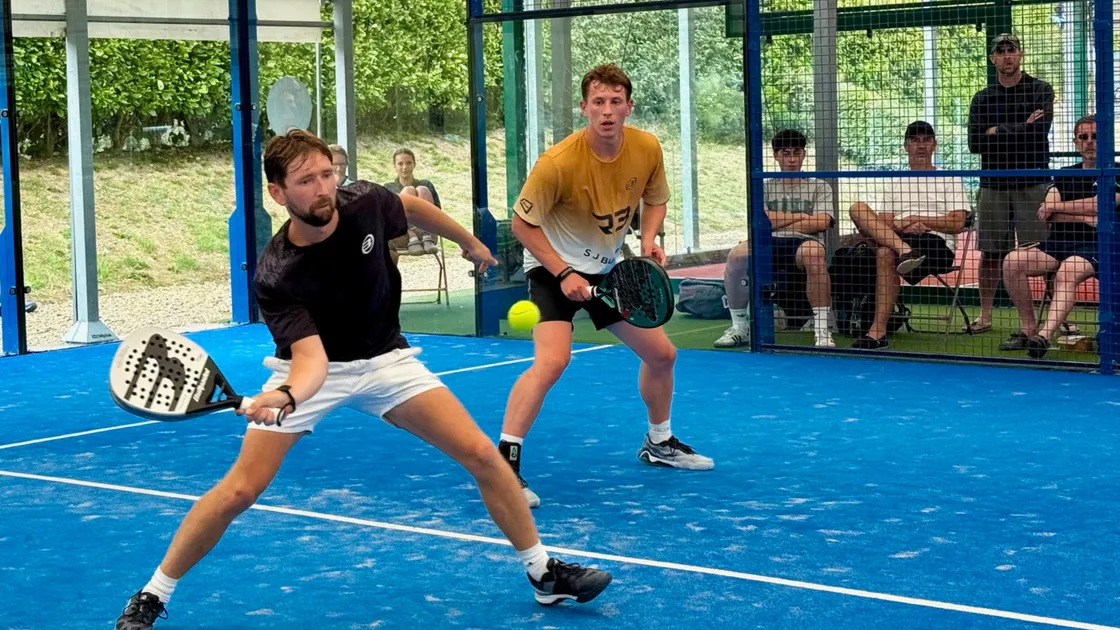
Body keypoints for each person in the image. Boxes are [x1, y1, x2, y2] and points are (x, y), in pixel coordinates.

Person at [113, 131, 611, 630]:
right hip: (314, 372)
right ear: (278, 193)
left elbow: (411, 208)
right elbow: (312, 361)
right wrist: (286, 394)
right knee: (239, 490)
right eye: (306, 181)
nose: (322, 188)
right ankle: (153, 594)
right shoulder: (277, 274)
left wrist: (468, 240)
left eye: (326, 174)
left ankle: (543, 572)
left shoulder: (365, 202)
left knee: (483, 455)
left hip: (385, 360)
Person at [498, 64, 714, 510]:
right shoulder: (557, 162)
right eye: (598, 102)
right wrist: (564, 273)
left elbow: (655, 199)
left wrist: (648, 241)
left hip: (610, 272)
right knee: (553, 361)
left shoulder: (646, 148)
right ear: (585, 108)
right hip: (552, 269)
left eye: (616, 101)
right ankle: (504, 468)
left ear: (629, 106)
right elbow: (521, 224)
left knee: (662, 355)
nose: (608, 111)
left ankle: (659, 443)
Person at [1000, 114, 1117, 358]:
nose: (1089, 141)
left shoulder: (1116, 171)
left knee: (1068, 270)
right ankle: (1029, 329)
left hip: (1098, 245)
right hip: (1058, 243)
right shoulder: (1065, 174)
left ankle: (1043, 337)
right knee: (1012, 261)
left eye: (1095, 136)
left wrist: (1059, 206)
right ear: (1076, 142)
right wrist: (1084, 216)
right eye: (1083, 137)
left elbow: (1104, 203)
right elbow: (1046, 214)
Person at [846, 121, 970, 348]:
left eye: (926, 140)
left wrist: (918, 220)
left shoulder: (950, 177)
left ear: (934, 145)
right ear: (905, 146)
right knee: (858, 209)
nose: (921, 146)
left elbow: (957, 222)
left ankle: (877, 331)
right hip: (901, 239)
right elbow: (885, 223)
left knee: (885, 252)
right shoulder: (895, 180)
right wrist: (902, 228)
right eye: (914, 140)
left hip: (936, 242)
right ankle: (905, 252)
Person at [715, 129, 836, 349]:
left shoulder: (820, 186)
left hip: (803, 242)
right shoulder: (764, 185)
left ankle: (821, 329)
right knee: (736, 255)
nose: (791, 159)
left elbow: (822, 222)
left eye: (796, 153)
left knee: (814, 254)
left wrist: (778, 219)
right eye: (785, 153)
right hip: (767, 240)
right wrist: (802, 216)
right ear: (776, 156)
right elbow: (761, 221)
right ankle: (739, 327)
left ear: (804, 154)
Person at [967, 32, 1054, 333]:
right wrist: (1021, 127)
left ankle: (1057, 317)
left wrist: (995, 131)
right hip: (994, 184)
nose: (1007, 55)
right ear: (993, 58)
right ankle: (985, 315)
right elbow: (974, 143)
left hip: (1032, 181)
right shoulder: (982, 97)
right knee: (991, 253)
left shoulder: (1040, 89)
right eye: (1001, 51)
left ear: (1020, 54)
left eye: (1011, 49)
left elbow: (1039, 132)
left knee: (1044, 251)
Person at [383, 148, 442, 257]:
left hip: (428, 238)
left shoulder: (426, 184)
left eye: (408, 163)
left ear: (414, 164)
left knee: (422, 189)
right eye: (400, 164)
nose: (404, 167)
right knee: (407, 191)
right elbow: (386, 217)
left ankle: (422, 232)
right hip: (401, 235)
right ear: (394, 166)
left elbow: (438, 212)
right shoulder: (388, 187)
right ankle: (413, 233)